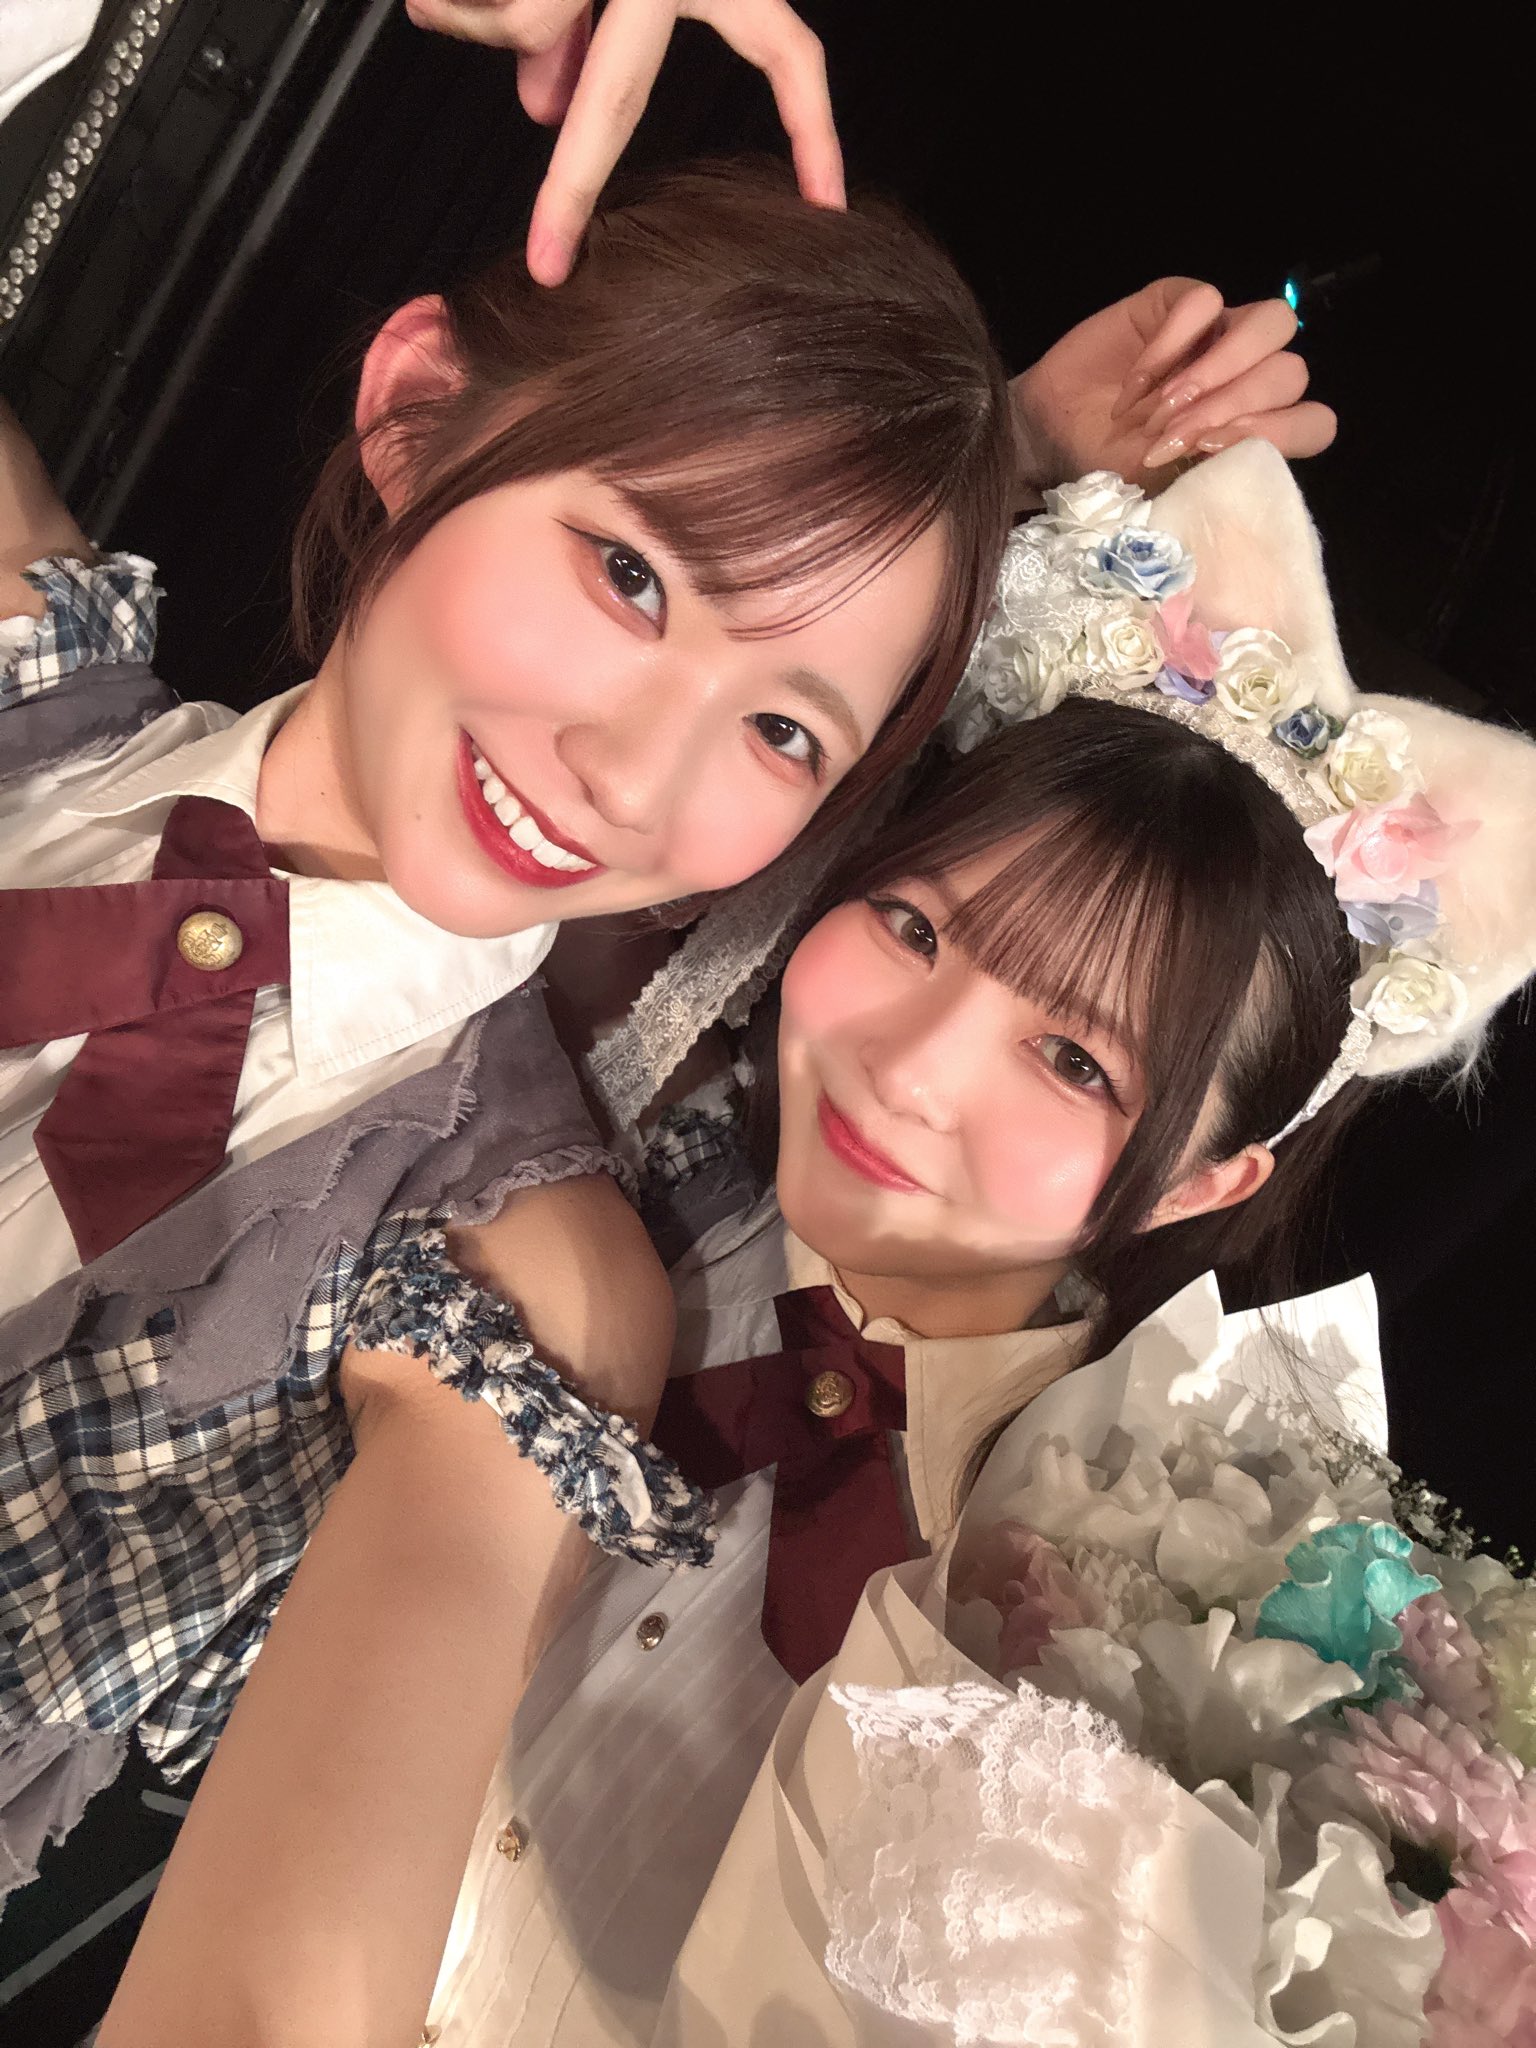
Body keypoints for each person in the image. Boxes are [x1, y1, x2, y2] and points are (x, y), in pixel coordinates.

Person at [0, 152, 1331, 1910]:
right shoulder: (49, 691)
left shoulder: (506, 1269)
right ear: (416, 411)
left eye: (786, 733)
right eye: (629, 576)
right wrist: (975, 448)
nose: (631, 776)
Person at [96, 440, 1536, 2045]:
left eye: (1074, 1061)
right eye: (914, 928)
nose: (910, 1067)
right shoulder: (562, 1169)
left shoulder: (1169, 1626)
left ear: (1206, 1182)